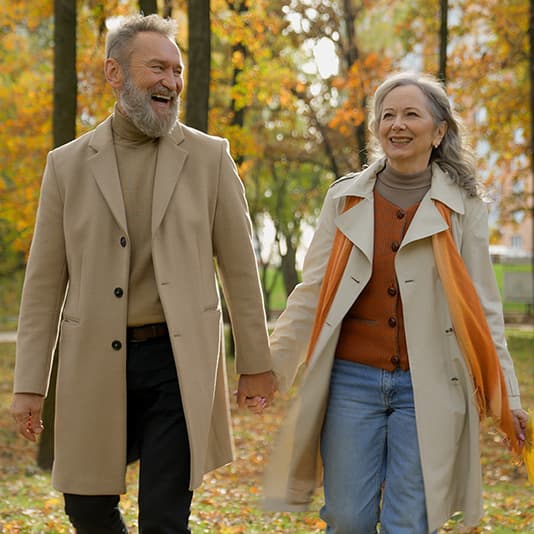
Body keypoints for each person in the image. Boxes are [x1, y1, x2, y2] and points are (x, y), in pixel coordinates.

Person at [10, 13, 276, 533]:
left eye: (177, 71)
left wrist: (255, 363)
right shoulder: (66, 166)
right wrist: (29, 385)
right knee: (86, 508)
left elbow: (241, 269)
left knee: (165, 518)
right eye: (158, 68)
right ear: (115, 73)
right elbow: (43, 286)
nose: (172, 82)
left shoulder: (209, 157)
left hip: (178, 364)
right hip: (92, 362)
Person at [263, 72, 529, 533]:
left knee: (409, 520)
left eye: (411, 114)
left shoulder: (463, 206)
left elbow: (484, 306)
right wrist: (269, 367)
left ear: (439, 130)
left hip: (429, 385)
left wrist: (510, 395)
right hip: (351, 381)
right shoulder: (344, 198)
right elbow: (311, 294)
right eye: (388, 115)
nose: (397, 125)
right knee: (347, 518)